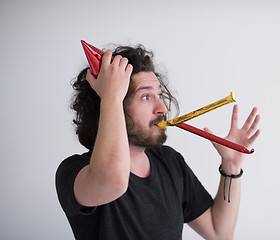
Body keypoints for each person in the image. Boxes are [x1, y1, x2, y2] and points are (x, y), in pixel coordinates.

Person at [56, 44, 260, 240]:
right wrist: (111, 95)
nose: (162, 108)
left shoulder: (170, 161)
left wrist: (231, 165)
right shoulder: (75, 171)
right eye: (145, 97)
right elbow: (113, 180)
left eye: (159, 95)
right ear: (110, 102)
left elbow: (220, 233)